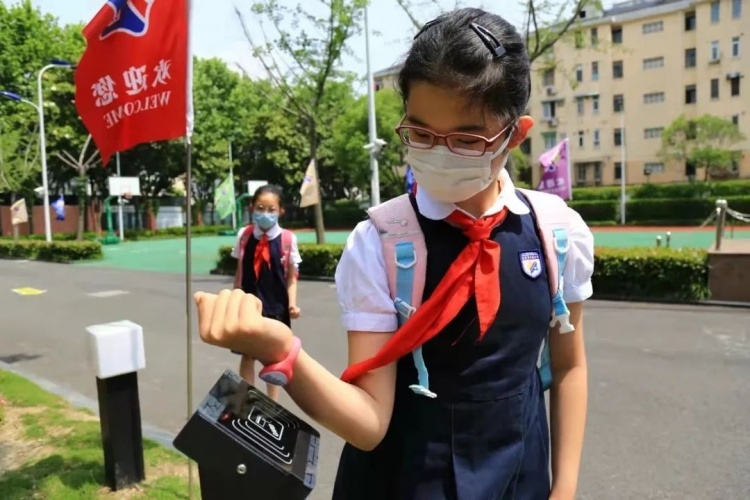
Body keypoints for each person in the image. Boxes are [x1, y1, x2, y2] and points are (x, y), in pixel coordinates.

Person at [195, 8, 593, 499]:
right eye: (421, 134)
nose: (439, 152)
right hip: (404, 481)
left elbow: (569, 364)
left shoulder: (556, 232)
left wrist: (565, 487)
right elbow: (369, 423)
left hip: (520, 479)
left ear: (515, 133)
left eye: (467, 140)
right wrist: (280, 350)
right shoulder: (382, 241)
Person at [229, 184, 301, 402]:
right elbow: (240, 271)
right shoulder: (244, 235)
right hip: (248, 306)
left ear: (281, 211)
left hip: (276, 308)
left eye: (271, 209)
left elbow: (291, 277)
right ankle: (247, 400)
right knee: (247, 355)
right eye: (261, 208)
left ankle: (271, 404)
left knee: (273, 359)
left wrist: (292, 303)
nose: (265, 214)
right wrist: (234, 298)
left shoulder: (288, 239)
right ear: (252, 208)